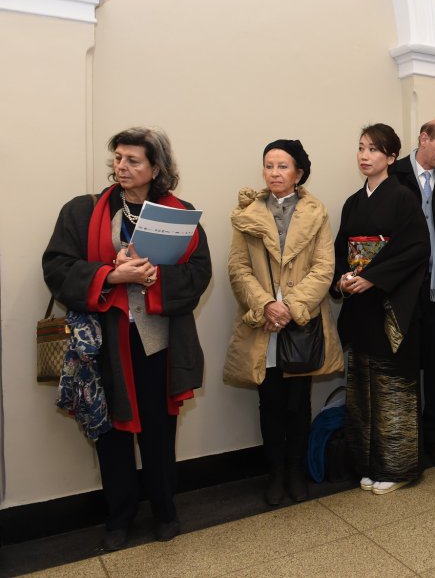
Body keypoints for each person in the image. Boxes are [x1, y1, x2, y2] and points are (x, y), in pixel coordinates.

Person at [43, 127, 211, 550]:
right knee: (111, 430)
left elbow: (198, 273)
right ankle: (118, 516)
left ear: (156, 168)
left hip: (158, 342)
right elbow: (57, 267)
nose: (122, 166)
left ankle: (165, 511)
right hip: (104, 341)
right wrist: (112, 275)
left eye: (133, 160)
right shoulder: (83, 211)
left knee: (159, 430)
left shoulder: (178, 214)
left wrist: (153, 278)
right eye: (118, 158)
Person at [225, 139, 343, 506]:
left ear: (298, 173)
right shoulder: (248, 213)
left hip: (301, 318)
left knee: (298, 402)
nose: (274, 173)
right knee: (270, 401)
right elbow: (238, 268)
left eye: (282, 166)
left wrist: (289, 306)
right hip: (263, 321)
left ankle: (296, 471)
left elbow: (324, 268)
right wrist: (265, 305)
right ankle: (275, 474)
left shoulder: (316, 212)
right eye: (269, 166)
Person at [333, 124, 430, 494]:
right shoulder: (353, 202)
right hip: (361, 304)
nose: (364, 155)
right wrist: (342, 279)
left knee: (393, 386)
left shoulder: (403, 197)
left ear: (391, 157)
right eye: (361, 148)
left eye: (373, 149)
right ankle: (368, 463)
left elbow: (416, 247)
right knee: (362, 385)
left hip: (392, 306)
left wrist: (373, 278)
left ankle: (398, 467)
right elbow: (342, 249)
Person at [389, 119, 435, 468]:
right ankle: (406, 441)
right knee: (403, 369)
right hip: (404, 293)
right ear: (423, 138)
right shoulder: (394, 176)